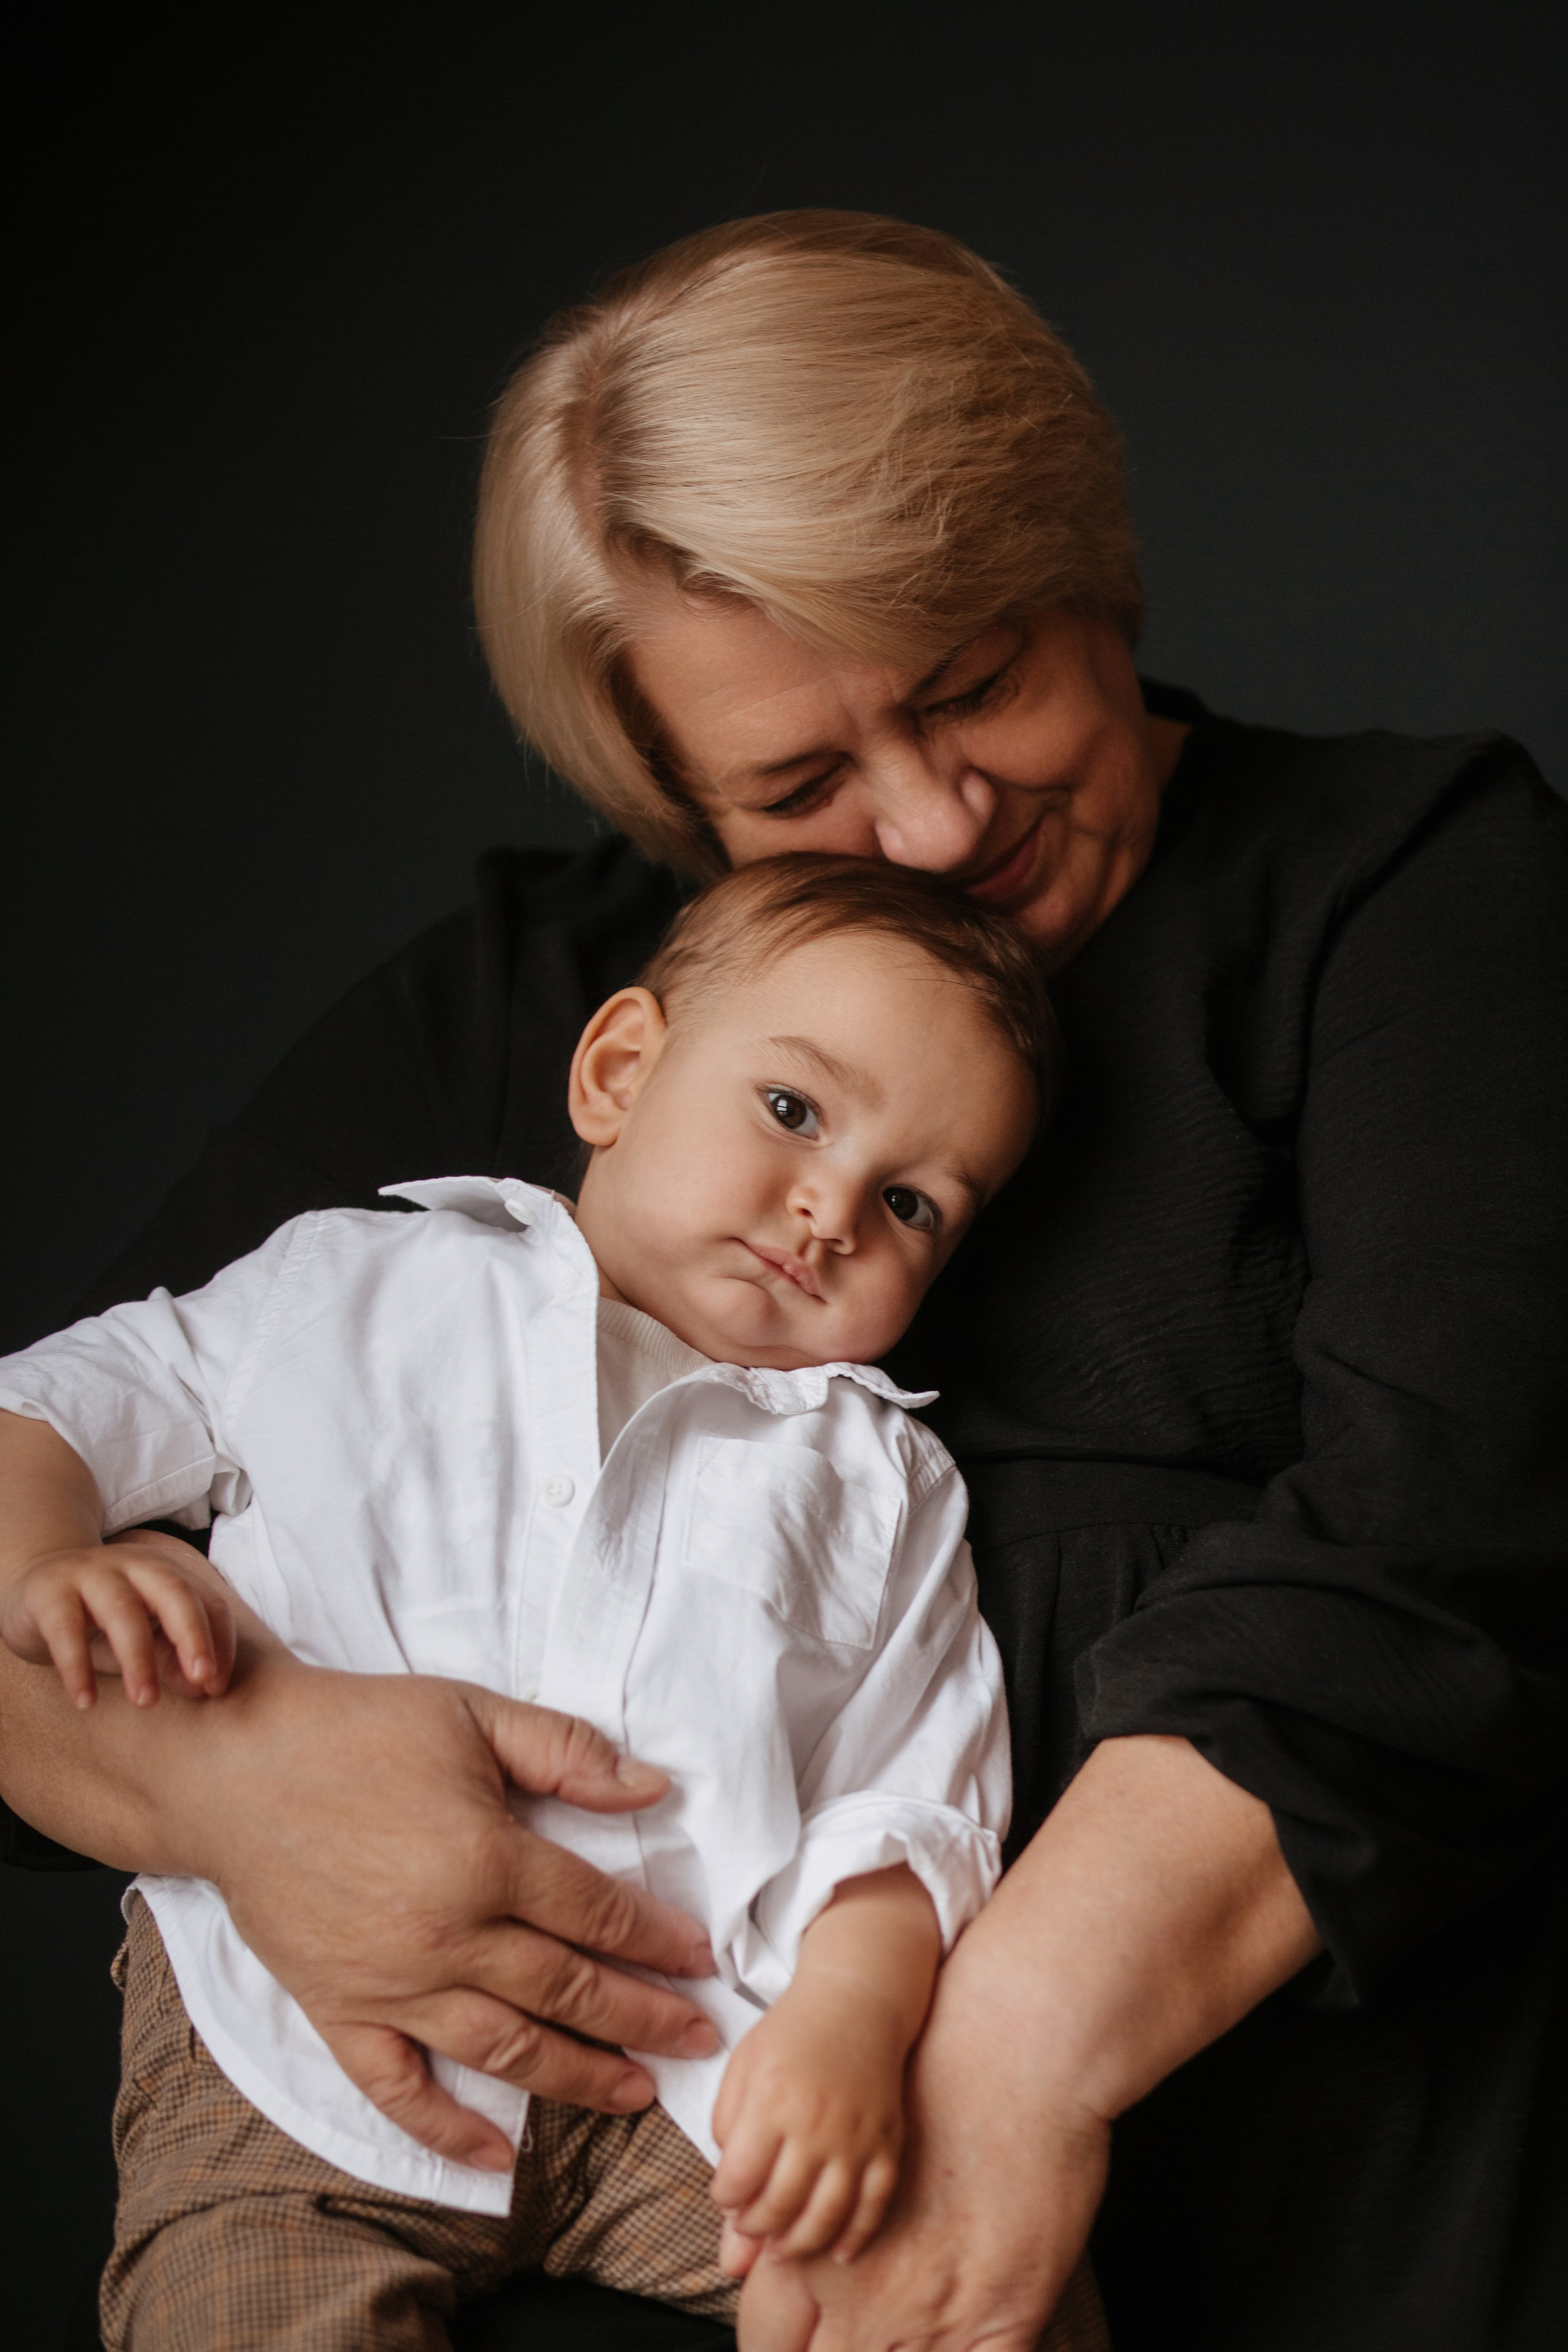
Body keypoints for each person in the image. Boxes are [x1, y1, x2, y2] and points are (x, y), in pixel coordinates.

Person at [1, 209, 1564, 2352]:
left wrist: (999, 2045)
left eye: (975, 683)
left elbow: (1462, 1541)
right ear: (665, 806)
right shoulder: (525, 1011)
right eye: (797, 790)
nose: (931, 828)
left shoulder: (1411, 893)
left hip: (1342, 2230)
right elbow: (55, 1471)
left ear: (1089, 562)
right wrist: (231, 1797)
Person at [0, 855, 1112, 2352]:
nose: (827, 1209)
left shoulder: (878, 1472)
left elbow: (912, 1792)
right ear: (618, 1069)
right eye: (793, 1111)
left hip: (695, 2078)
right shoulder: (356, 1281)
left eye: (910, 1203)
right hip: (303, 2053)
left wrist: (852, 2020)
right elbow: (65, 1401)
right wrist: (46, 1554)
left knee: (972, 2291)